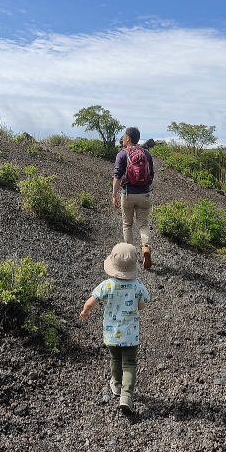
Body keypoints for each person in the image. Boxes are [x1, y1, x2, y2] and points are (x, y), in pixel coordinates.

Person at [79, 242, 150, 415]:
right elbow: (142, 305)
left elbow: (91, 301)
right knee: (130, 363)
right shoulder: (138, 285)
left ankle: (117, 386)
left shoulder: (107, 285)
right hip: (131, 334)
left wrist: (85, 311)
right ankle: (126, 396)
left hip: (111, 334)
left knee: (115, 359)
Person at [112, 127, 154, 269]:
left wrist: (114, 195)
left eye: (124, 136)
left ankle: (130, 255)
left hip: (128, 194)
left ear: (128, 138)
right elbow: (151, 176)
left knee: (127, 225)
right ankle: (146, 248)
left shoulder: (122, 154)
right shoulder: (146, 154)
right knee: (143, 224)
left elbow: (117, 177)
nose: (122, 138)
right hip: (144, 194)